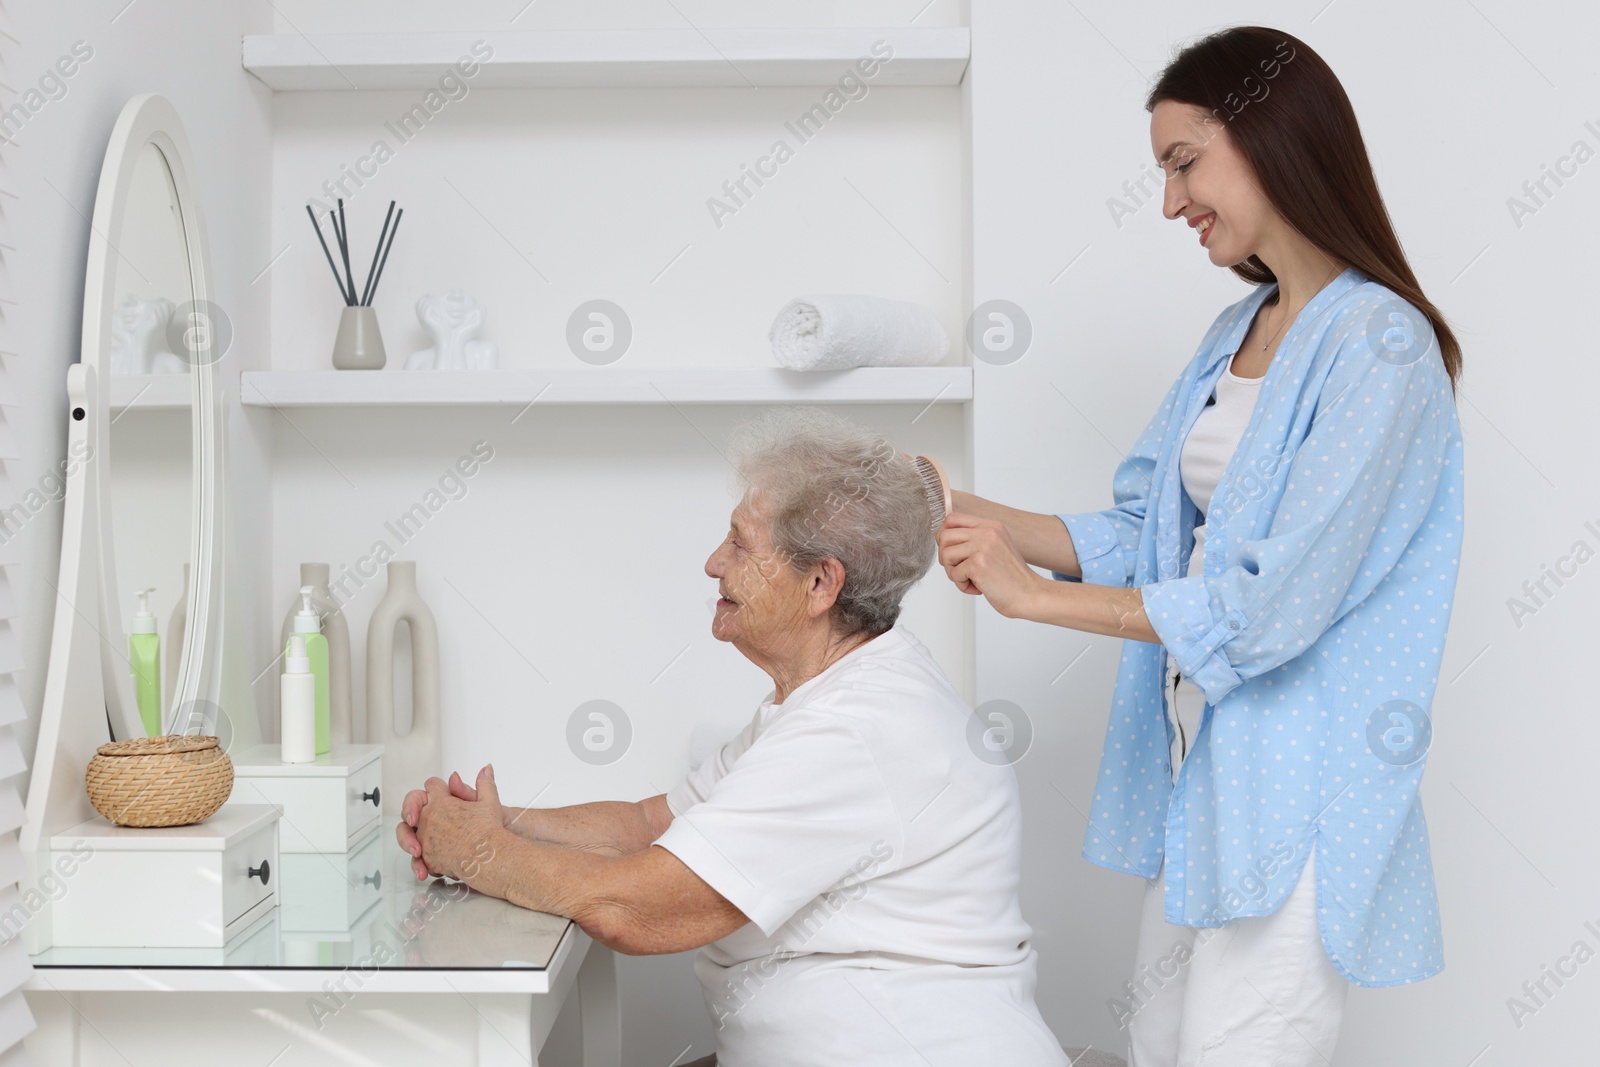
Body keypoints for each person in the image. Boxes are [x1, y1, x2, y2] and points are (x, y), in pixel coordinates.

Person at [933, 26, 1463, 1067]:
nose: (1171, 202)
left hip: (1301, 791)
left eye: (1183, 163)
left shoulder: (1382, 348)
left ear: (1274, 137)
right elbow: (1148, 535)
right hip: (1206, 776)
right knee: (1160, 1041)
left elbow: (1265, 609)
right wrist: (958, 510)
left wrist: (1030, 598)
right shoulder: (1236, 334)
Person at [399, 408, 1067, 1067]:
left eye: (742, 543)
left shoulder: (855, 731)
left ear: (819, 583)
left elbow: (631, 908)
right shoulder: (832, 691)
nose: (714, 562)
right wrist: (494, 823)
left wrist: (480, 851)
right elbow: (646, 825)